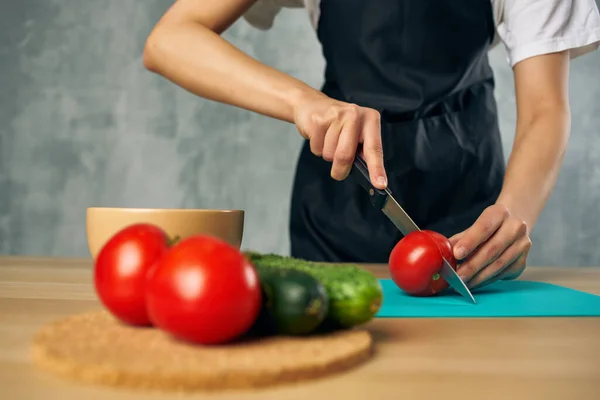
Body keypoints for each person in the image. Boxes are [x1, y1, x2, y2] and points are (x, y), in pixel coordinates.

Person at [143, 0, 600, 289]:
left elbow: (545, 111)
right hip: (339, 196)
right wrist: (305, 102)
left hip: (466, 196)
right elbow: (170, 40)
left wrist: (514, 212)